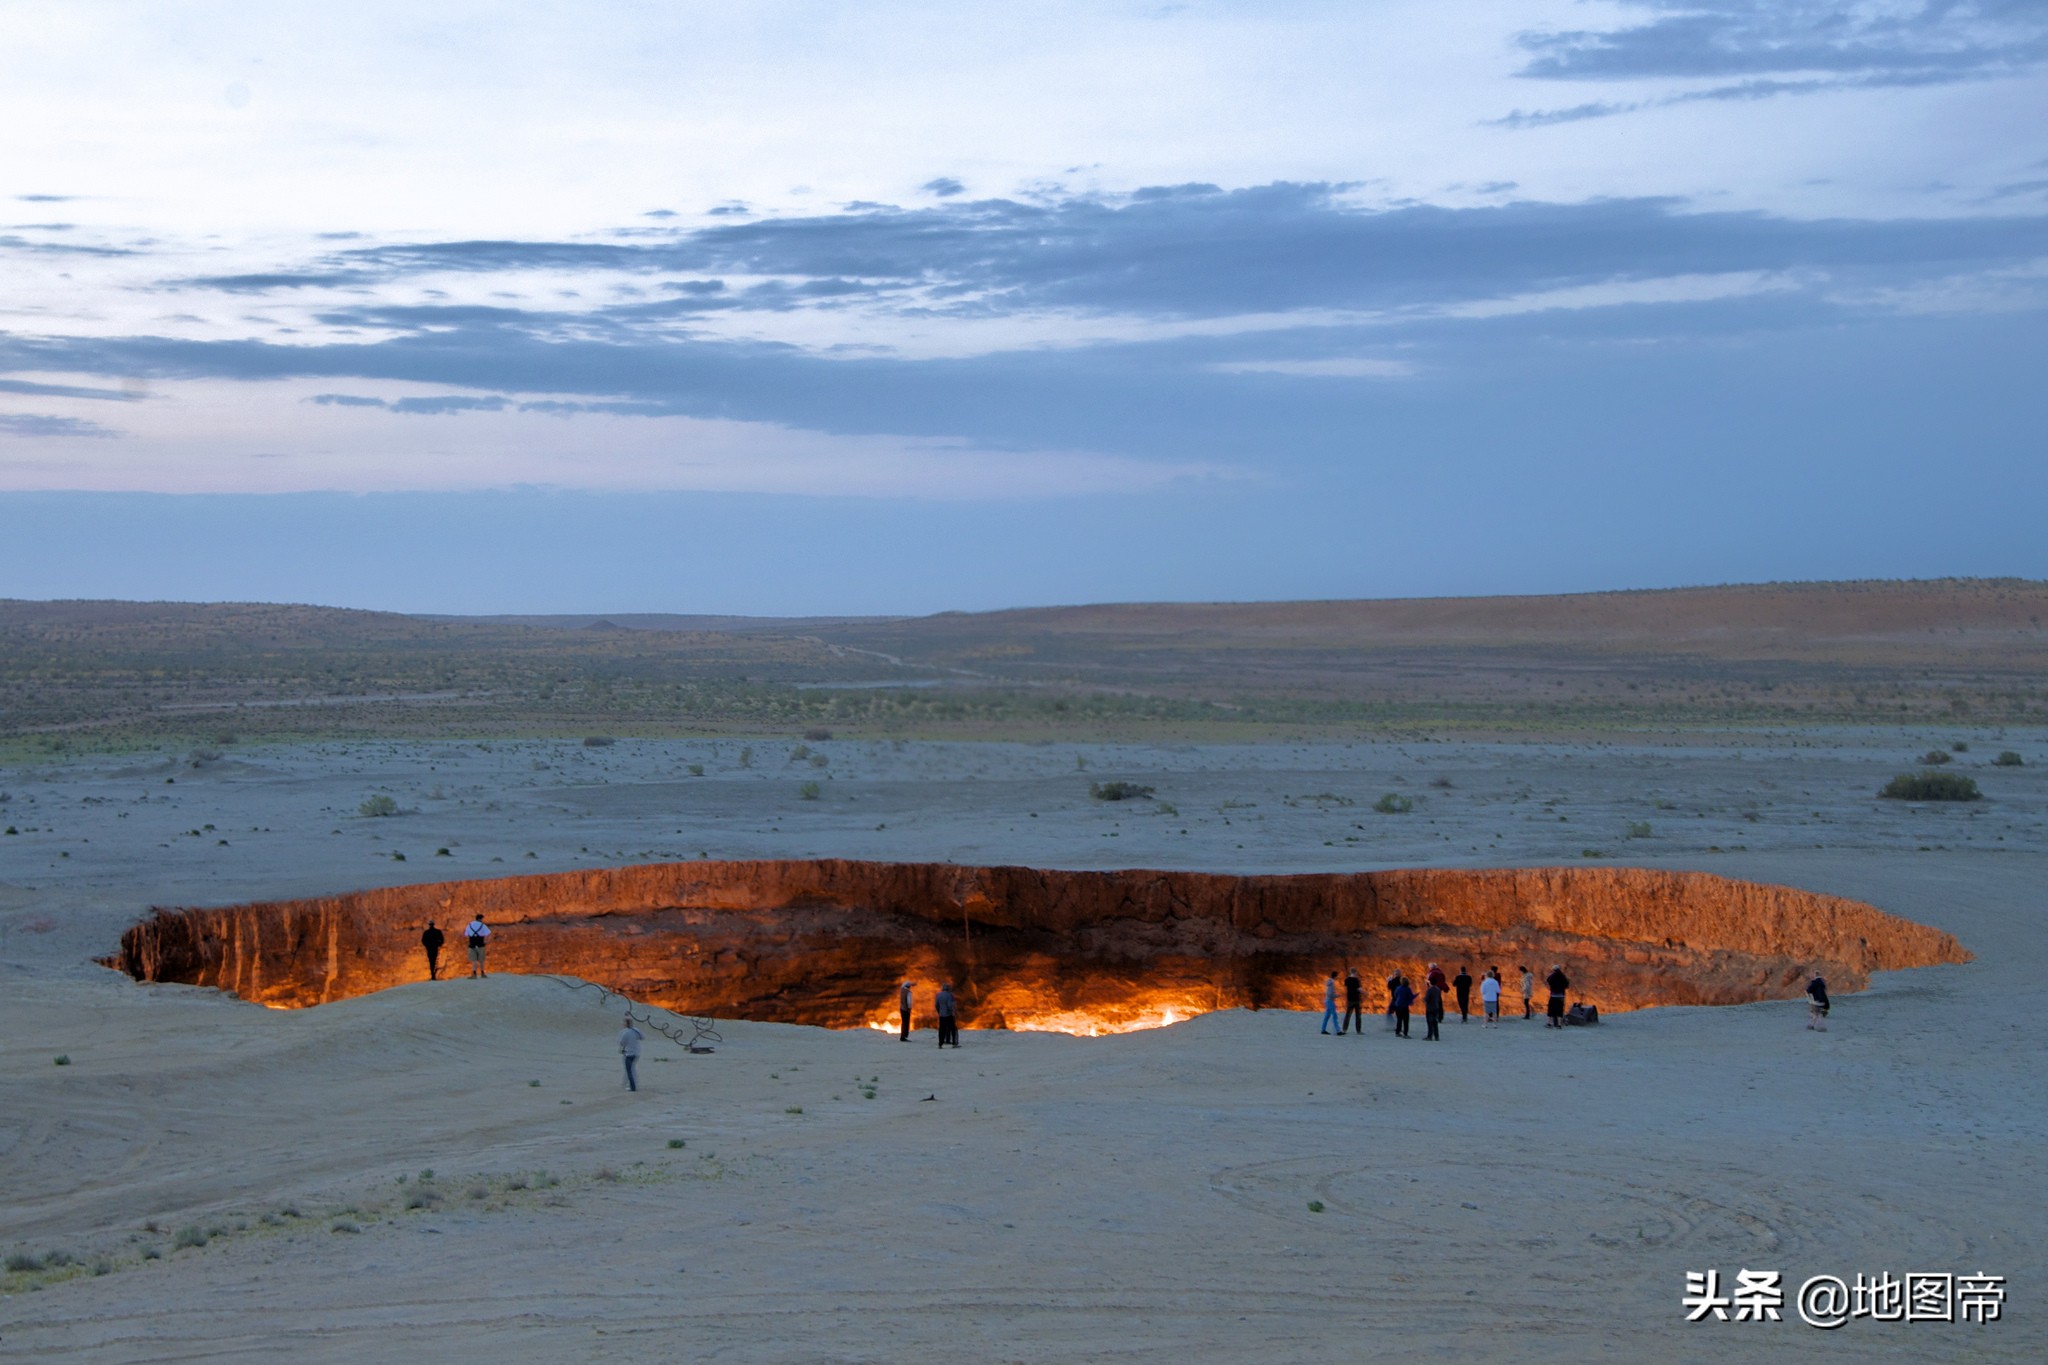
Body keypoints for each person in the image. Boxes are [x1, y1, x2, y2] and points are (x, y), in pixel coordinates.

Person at [619, 1014, 643, 1091]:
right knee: (632, 1069)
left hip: (629, 1053)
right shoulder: (636, 1030)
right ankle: (628, 1083)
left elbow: (622, 1042)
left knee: (629, 1070)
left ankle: (633, 1087)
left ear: (626, 1023)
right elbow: (642, 1037)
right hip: (636, 1053)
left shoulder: (625, 1032)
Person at [464, 913, 492, 979]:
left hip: (472, 944)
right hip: (480, 943)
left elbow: (465, 934)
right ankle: (482, 973)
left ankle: (474, 974)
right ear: (480, 919)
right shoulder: (482, 925)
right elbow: (488, 933)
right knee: (481, 959)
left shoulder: (470, 924)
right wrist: (486, 941)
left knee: (474, 960)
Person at [1545, 963, 1570, 1029]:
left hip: (1553, 995)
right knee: (1560, 1010)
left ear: (1553, 970)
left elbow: (1547, 981)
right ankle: (1559, 1025)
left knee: (1551, 1009)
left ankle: (1549, 1023)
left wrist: (1550, 988)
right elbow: (1567, 985)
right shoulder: (1563, 976)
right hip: (1561, 996)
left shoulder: (1552, 976)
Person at [1341, 968, 1365, 1035]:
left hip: (1349, 999)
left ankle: (1344, 1029)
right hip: (1356, 999)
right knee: (1358, 1016)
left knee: (1348, 1015)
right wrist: (1365, 992)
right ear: (1355, 972)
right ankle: (1358, 1031)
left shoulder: (1347, 980)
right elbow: (1359, 989)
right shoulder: (1356, 980)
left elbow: (1345, 988)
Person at [935, 982, 959, 1048]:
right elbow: (949, 1005)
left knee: (942, 1029)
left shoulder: (938, 995)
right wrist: (953, 1011)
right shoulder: (949, 995)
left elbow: (936, 1005)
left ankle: (940, 1043)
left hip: (941, 1015)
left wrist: (939, 1012)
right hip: (948, 1015)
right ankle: (954, 1043)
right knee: (953, 1028)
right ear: (948, 988)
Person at [1321, 971, 1340, 1035]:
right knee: (1334, 1016)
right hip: (1330, 1001)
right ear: (1336, 976)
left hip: (1327, 1000)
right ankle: (1338, 1031)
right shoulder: (1332, 983)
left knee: (1327, 1016)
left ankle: (1323, 1030)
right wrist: (1337, 995)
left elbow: (1328, 993)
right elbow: (1330, 994)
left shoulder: (1329, 982)